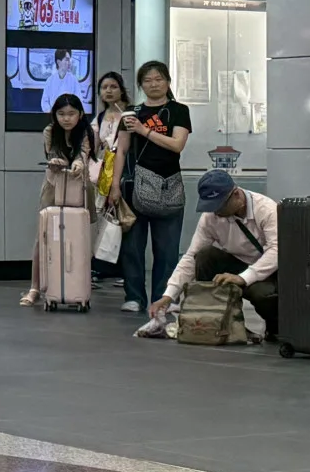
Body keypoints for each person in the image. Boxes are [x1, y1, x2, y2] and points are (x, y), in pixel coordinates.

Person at [151, 169, 278, 339]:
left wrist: (243, 277)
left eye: (219, 205)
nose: (215, 212)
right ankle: (218, 320)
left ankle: (276, 324)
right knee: (205, 256)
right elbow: (191, 256)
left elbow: (277, 250)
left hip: (268, 270)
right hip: (237, 263)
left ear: (236, 195)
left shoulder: (267, 209)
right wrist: (169, 295)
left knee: (263, 294)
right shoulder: (210, 217)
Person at [118, 60, 191, 313]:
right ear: (140, 85)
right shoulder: (130, 111)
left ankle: (164, 299)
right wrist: (115, 185)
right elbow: (122, 150)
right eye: (147, 80)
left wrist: (143, 129)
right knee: (132, 248)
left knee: (167, 250)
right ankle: (134, 297)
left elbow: (176, 144)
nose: (153, 84)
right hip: (134, 187)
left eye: (158, 79)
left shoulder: (179, 110)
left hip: (169, 185)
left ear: (168, 82)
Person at [22, 93, 96, 306]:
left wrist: (78, 165)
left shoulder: (86, 131)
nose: (66, 118)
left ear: (80, 114)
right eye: (61, 114)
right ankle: (35, 287)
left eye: (71, 113)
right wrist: (56, 161)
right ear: (54, 115)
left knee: (78, 236)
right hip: (54, 185)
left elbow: (84, 155)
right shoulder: (50, 131)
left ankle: (77, 286)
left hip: (79, 186)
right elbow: (51, 153)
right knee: (42, 236)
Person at [92, 71, 132, 282]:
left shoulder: (130, 114)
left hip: (125, 172)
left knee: (123, 219)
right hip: (104, 173)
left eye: (113, 86)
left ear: (121, 89)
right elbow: (94, 144)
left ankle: (125, 270)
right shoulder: (100, 116)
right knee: (105, 218)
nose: (108, 91)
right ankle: (102, 267)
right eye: (104, 87)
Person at [40, 47, 91, 113]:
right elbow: (45, 102)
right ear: (58, 62)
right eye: (67, 60)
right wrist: (51, 113)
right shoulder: (50, 81)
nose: (69, 63)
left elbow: (79, 100)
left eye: (69, 60)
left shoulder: (73, 80)